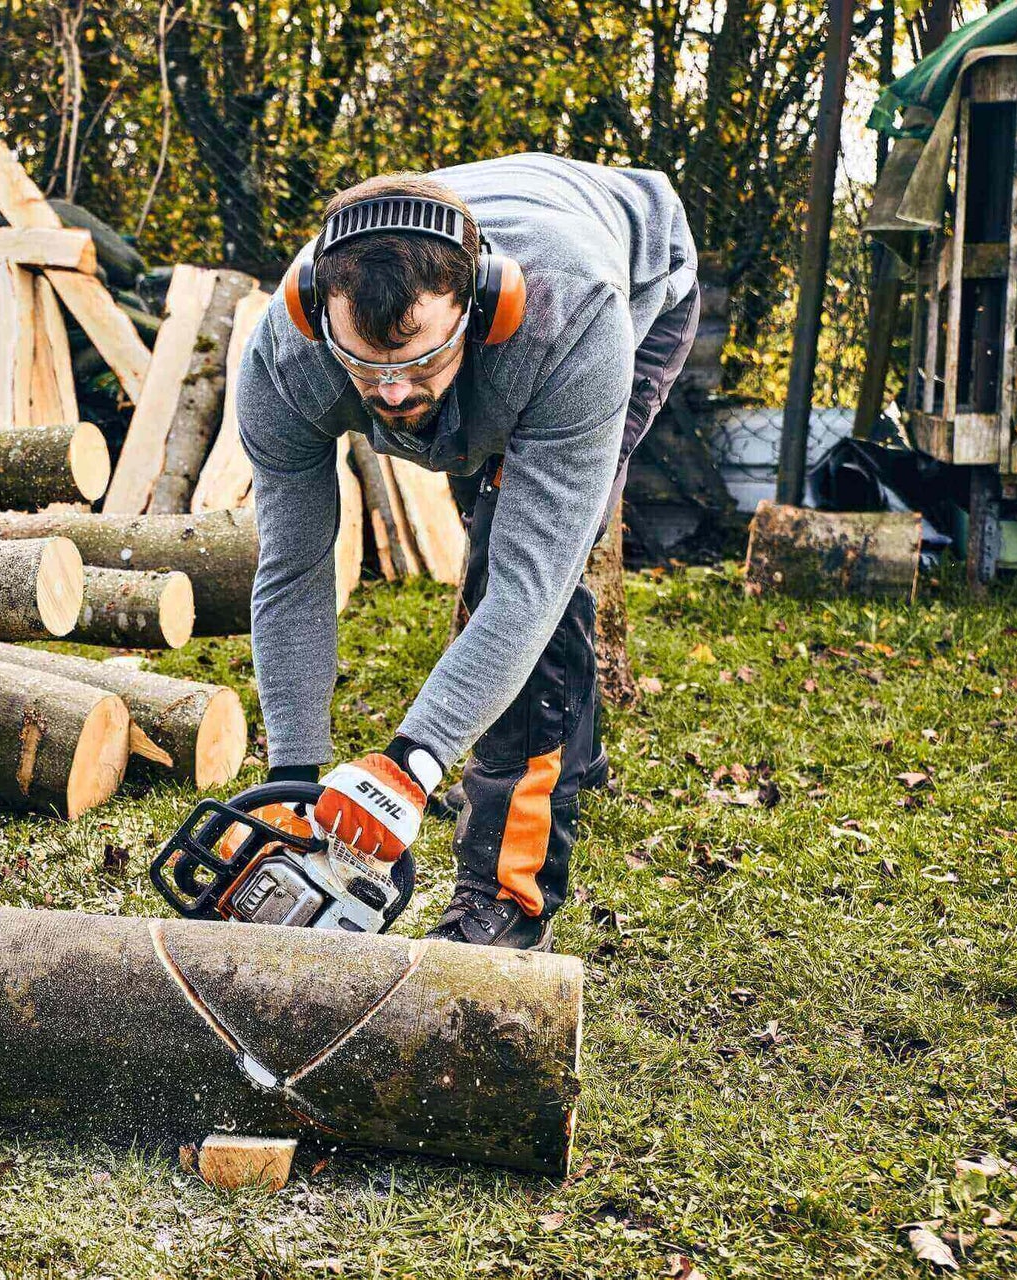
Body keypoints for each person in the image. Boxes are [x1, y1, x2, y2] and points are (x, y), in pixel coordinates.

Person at [238, 153, 700, 950]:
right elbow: (292, 571)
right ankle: (564, 752)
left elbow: (529, 587)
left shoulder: (572, 318)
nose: (389, 395)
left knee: (524, 577)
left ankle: (505, 895)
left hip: (640, 278)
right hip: (499, 344)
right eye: (365, 365)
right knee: (493, 530)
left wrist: (410, 763)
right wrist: (293, 778)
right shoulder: (286, 361)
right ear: (315, 313)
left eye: (417, 360)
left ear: (484, 306)